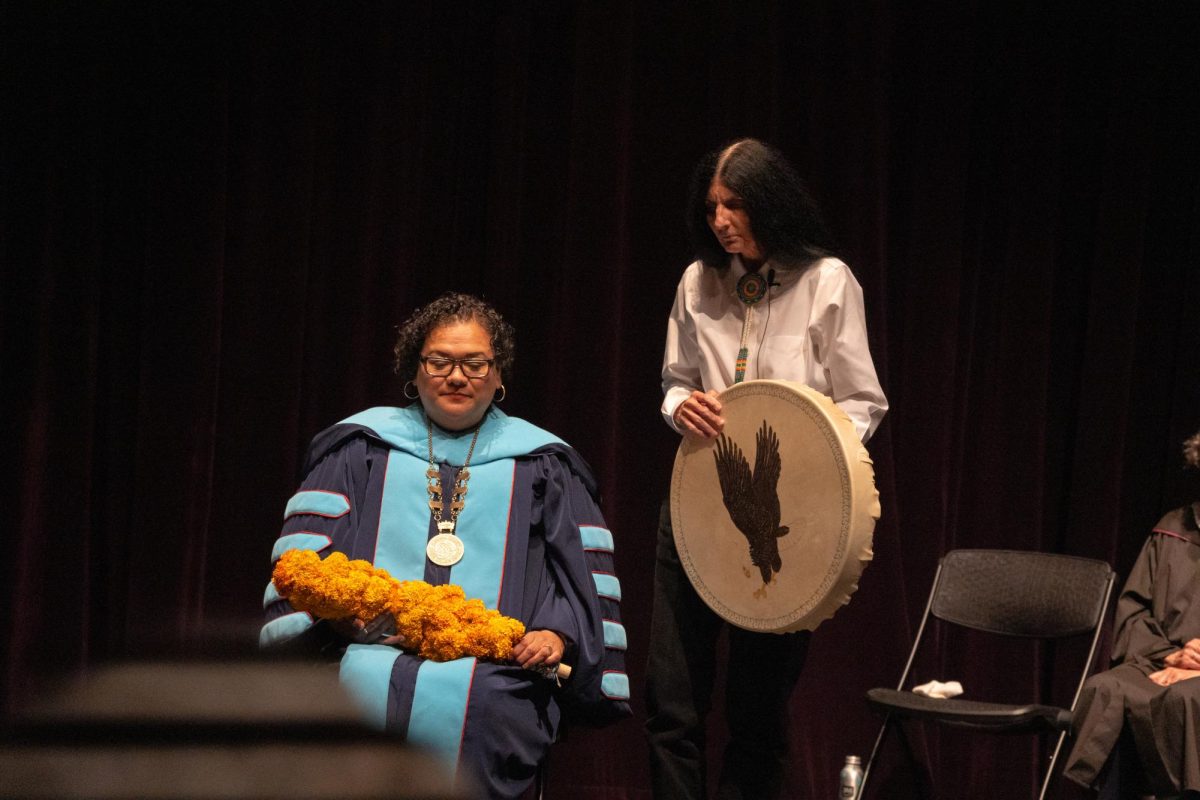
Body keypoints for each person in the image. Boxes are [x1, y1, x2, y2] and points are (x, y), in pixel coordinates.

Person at [261, 292, 631, 799]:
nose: (457, 377)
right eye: (440, 362)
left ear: (499, 377)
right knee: (350, 693)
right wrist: (337, 617)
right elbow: (307, 560)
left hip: (496, 669)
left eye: (475, 364)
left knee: (493, 703)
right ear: (413, 373)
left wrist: (555, 634)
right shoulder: (359, 447)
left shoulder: (546, 464)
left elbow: (575, 576)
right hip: (364, 650)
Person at [645, 138, 888, 799]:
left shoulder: (826, 281)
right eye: (713, 206)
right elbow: (674, 380)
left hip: (782, 508)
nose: (721, 220)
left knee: (756, 708)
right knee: (673, 700)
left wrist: (815, 457)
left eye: (736, 205)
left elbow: (863, 401)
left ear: (771, 205)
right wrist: (679, 408)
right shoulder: (699, 282)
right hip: (699, 498)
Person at [1063, 429, 1200, 798]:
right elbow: (1133, 611)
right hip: (1159, 660)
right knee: (1105, 689)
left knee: (1187, 699)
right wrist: (1169, 654)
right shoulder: (1173, 530)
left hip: (1193, 681)